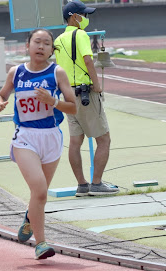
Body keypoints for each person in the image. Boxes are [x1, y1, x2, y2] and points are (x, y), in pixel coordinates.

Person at [0, 29, 77, 260]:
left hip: (51, 138)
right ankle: (40, 243)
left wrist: (53, 101)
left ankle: (30, 218)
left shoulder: (57, 72)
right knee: (39, 191)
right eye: (37, 42)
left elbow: (73, 107)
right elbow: (1, 95)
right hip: (26, 138)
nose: (41, 46)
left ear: (52, 49)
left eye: (46, 43)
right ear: (27, 45)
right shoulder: (16, 72)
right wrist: (0, 103)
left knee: (39, 194)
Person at [54, 0, 119, 197]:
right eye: (84, 15)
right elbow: (88, 60)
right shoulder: (80, 34)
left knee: (75, 142)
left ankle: (82, 185)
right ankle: (97, 184)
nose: (86, 19)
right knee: (104, 139)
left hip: (69, 95)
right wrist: (97, 85)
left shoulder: (58, 40)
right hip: (86, 93)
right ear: (74, 16)